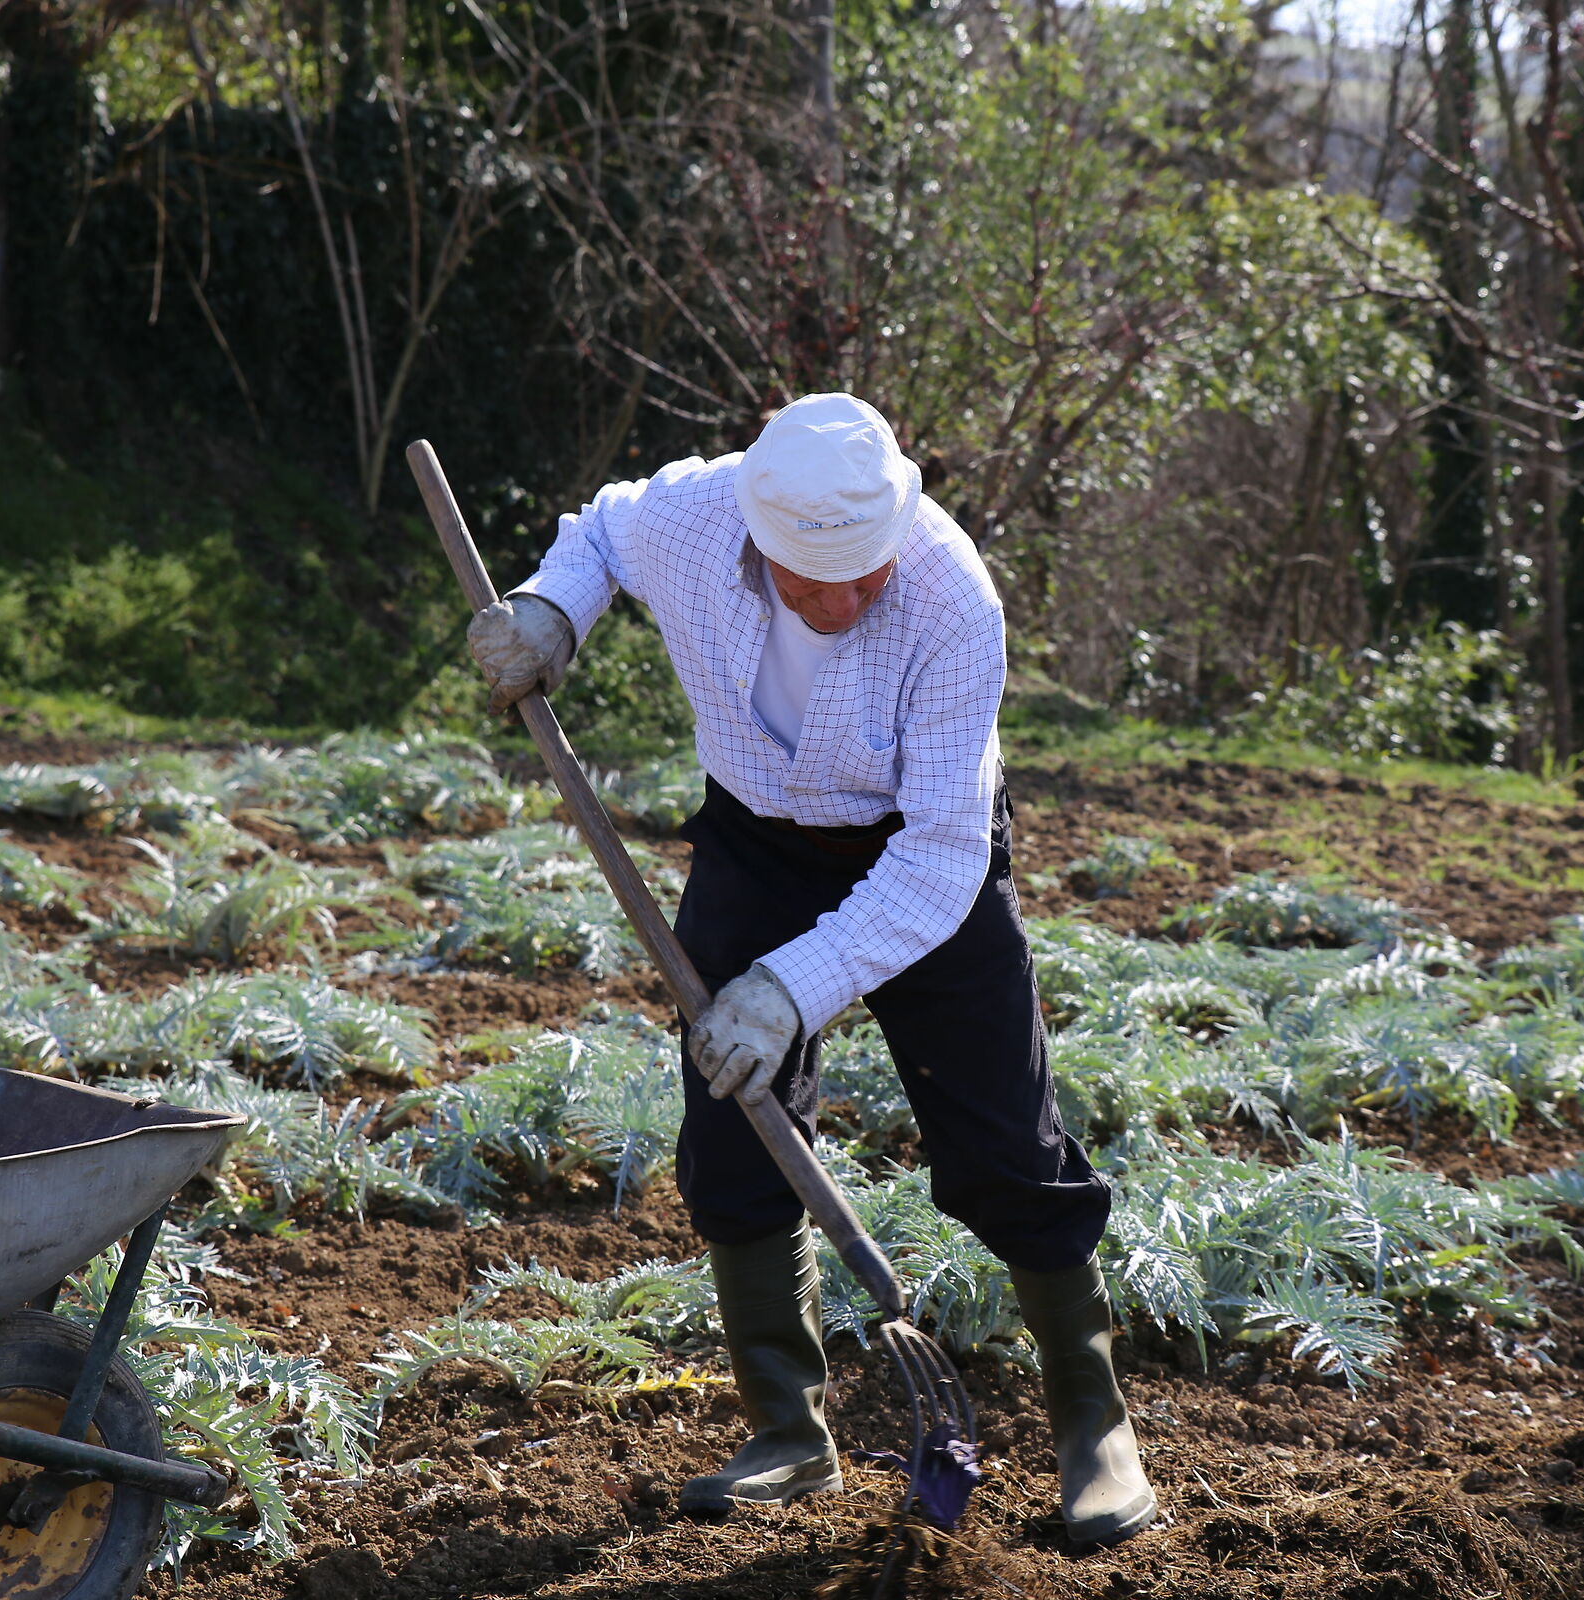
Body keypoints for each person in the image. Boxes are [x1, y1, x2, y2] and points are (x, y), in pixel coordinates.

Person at [465, 392, 1159, 1547]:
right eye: (807, 581)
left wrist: (794, 985)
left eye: (862, 575)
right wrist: (550, 612)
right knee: (733, 1130)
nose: (839, 604)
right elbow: (599, 531)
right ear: (757, 534)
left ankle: (1096, 1429)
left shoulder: (949, 595)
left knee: (1005, 1149)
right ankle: (790, 1430)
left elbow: (940, 856)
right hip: (758, 837)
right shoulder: (695, 515)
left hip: (919, 855)